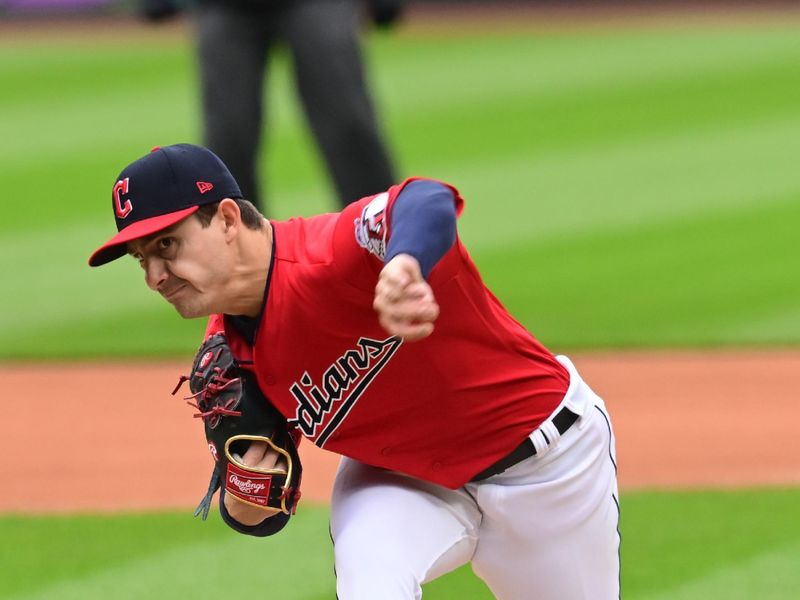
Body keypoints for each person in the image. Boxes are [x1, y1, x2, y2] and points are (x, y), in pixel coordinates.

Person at [89, 143, 620, 599]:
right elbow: (259, 515)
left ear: (227, 219)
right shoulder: (230, 359)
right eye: (142, 258)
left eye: (166, 245)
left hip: (550, 464)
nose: (156, 276)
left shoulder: (333, 252)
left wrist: (405, 262)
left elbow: (426, 198)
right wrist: (245, 493)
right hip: (403, 480)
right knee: (373, 583)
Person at [138, 0, 400, 212]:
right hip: (228, 8)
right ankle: (237, 257)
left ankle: (385, 238)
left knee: (348, 122)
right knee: (228, 136)